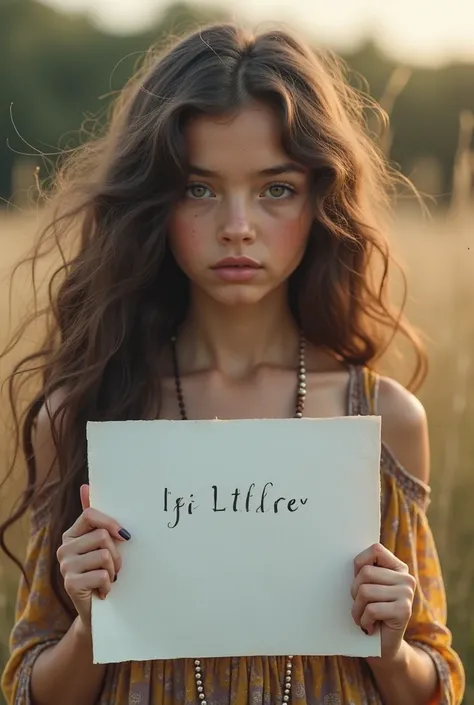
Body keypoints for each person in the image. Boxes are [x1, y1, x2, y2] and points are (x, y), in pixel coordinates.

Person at [0, 22, 464, 705]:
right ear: (154, 203)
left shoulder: (380, 418)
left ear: (319, 199)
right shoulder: (85, 414)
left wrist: (393, 645)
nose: (237, 224)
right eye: (199, 188)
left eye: (276, 189)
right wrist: (93, 628)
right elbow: (29, 689)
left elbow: (436, 685)